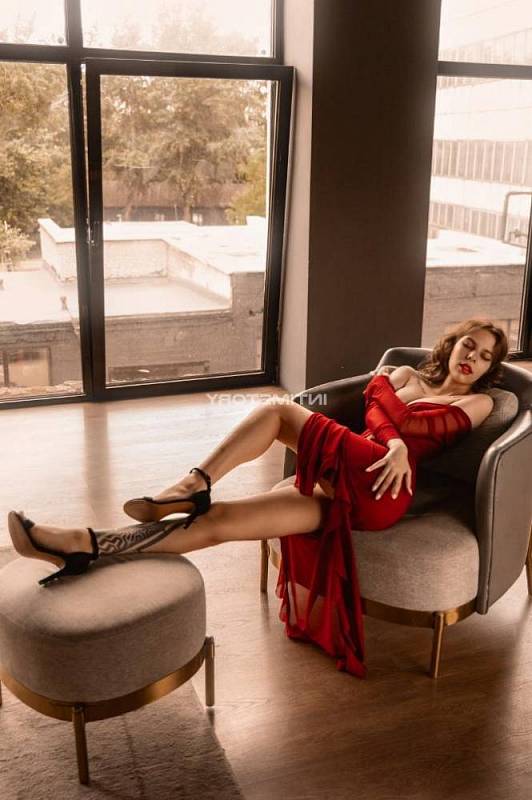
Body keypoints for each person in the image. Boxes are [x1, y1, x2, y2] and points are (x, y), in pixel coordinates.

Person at [8, 318, 508, 678]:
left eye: (485, 356)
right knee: (220, 522)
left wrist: (394, 436)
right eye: (469, 344)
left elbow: (414, 425)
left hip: (382, 491)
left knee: (278, 411)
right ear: (452, 343)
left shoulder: (479, 401)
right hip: (345, 476)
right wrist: (392, 431)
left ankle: (193, 483)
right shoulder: (409, 373)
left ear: (489, 368)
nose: (472, 358)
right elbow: (376, 407)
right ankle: (85, 544)